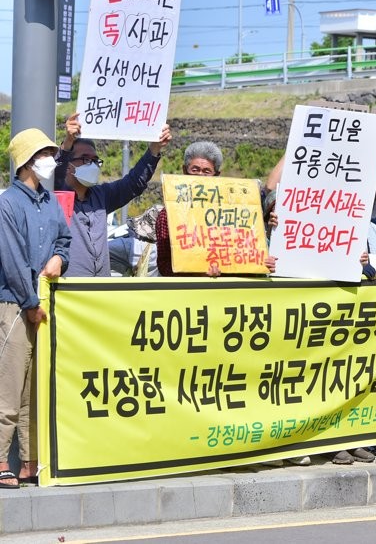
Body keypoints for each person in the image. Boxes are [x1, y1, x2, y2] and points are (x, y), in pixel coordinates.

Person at [0, 129, 73, 488]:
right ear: (28, 160)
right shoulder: (8, 203)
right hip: (14, 305)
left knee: (34, 389)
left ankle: (30, 461)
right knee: (8, 386)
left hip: (40, 305)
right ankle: (1, 460)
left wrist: (60, 256)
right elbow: (11, 259)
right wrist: (29, 303)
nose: (51, 160)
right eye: (45, 153)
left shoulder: (49, 201)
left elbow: (64, 237)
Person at [56, 113, 171, 276]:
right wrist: (67, 142)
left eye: (96, 160)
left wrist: (154, 149)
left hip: (102, 290)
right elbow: (55, 173)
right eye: (86, 159)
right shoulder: (57, 197)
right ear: (68, 165)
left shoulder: (101, 196)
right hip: (69, 293)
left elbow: (132, 184)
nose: (93, 165)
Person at [155, 142, 277, 277]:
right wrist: (199, 275)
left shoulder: (236, 211)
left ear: (216, 175)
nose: (200, 176)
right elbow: (164, 265)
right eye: (195, 169)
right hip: (191, 293)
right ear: (184, 171)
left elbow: (250, 250)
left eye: (207, 171)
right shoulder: (168, 215)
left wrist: (263, 263)